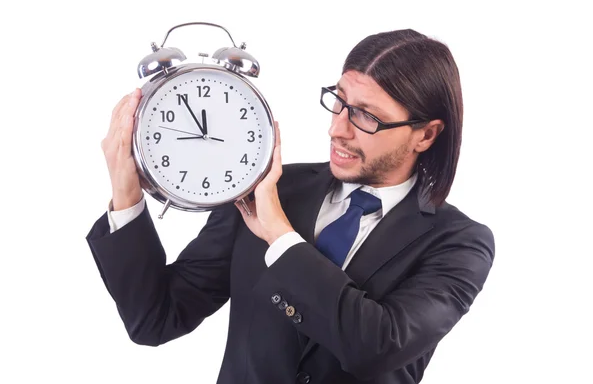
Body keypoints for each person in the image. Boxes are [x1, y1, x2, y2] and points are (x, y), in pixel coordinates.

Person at [86, 28, 495, 384]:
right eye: (339, 101)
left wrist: (280, 236)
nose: (337, 128)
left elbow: (375, 347)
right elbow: (157, 318)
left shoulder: (459, 243)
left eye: (366, 116)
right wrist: (125, 193)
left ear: (425, 135)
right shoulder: (269, 188)